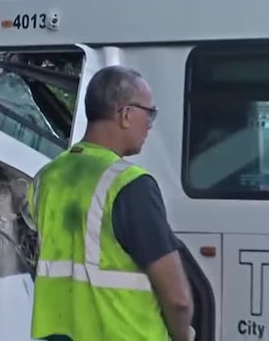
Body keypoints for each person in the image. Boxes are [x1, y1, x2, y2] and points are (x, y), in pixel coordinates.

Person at [25, 65, 194, 341]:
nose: (150, 125)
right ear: (125, 114)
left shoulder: (46, 178)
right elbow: (178, 299)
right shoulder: (130, 185)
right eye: (149, 114)